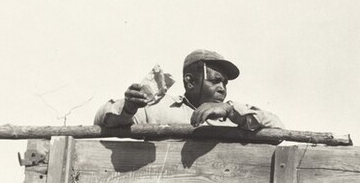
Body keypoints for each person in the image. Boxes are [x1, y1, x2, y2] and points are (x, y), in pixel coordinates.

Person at [94, 49, 283, 131]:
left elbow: (277, 127)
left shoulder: (233, 116)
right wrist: (128, 108)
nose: (222, 89)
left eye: (225, 83)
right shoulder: (160, 108)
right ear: (190, 82)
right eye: (215, 81)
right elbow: (101, 118)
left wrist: (231, 111)